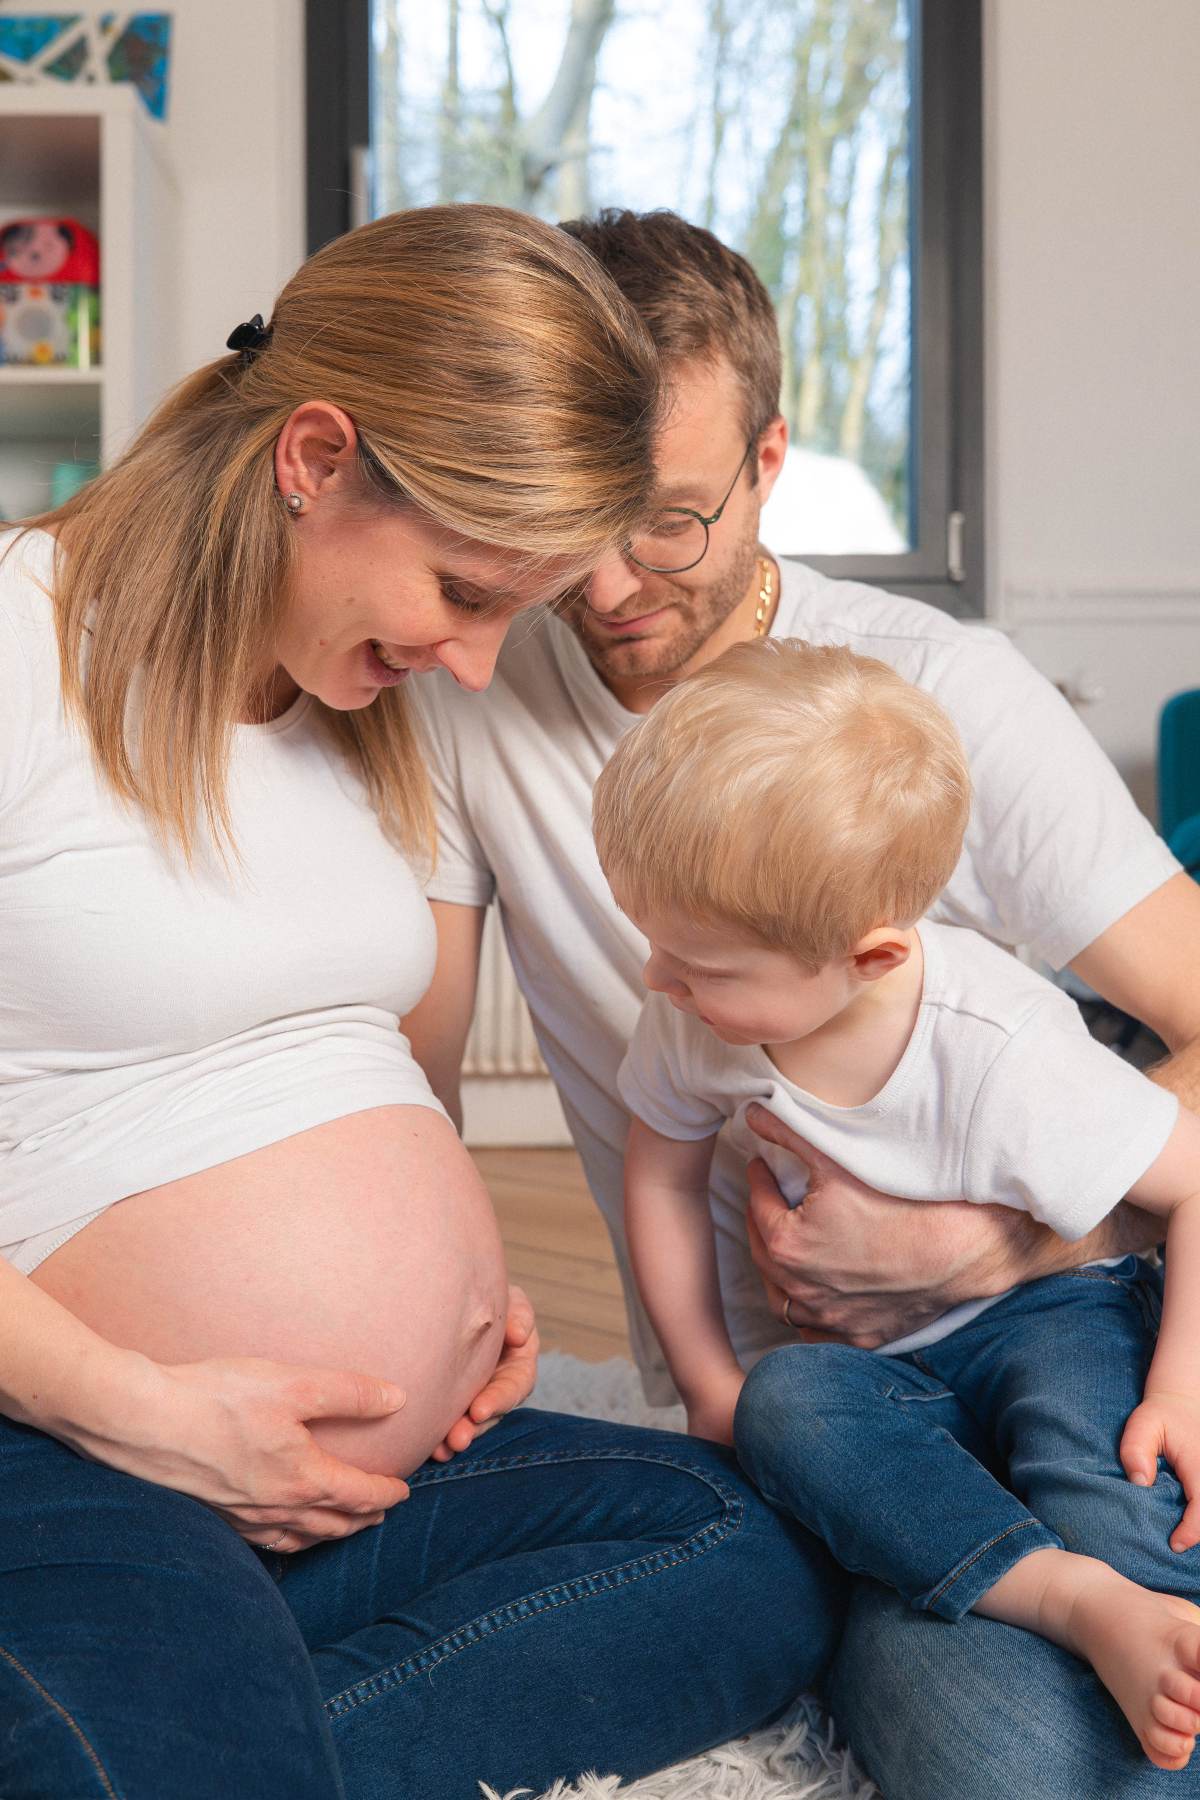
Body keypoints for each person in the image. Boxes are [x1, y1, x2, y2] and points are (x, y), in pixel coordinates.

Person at [0, 204, 844, 1800]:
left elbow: (338, 1069)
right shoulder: (20, 646)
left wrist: (457, 1302)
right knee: (190, 1713)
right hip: (68, 1440)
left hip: (328, 1479)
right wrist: (146, 1413)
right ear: (315, 458)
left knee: (747, 1547)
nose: (471, 667)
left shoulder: (347, 705)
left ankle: (172, 1731)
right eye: (463, 589)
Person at [404, 208, 1200, 1796]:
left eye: (675, 521)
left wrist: (1008, 1242)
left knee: (1133, 1578)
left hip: (1068, 1316)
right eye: (578, 521)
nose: (613, 582)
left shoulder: (933, 697)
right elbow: (414, 1080)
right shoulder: (462, 696)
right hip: (800, 1421)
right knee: (1016, 1760)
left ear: (771, 458)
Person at [594, 634, 1200, 1772]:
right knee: (788, 1403)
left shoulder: (1000, 1043)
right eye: (656, 948)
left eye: (699, 967)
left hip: (1051, 1316)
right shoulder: (694, 1012)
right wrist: (708, 1379)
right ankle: (1071, 1600)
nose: (658, 985)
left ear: (867, 957)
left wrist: (1181, 1384)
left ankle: (1147, 1619)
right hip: (880, 1372)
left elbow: (1196, 1180)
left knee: (1117, 1472)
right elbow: (663, 1170)